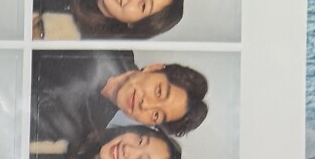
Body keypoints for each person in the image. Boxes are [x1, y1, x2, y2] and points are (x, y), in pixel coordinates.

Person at [31, 52, 209, 142]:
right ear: (154, 68)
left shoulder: (89, 132)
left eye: (156, 115)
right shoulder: (107, 39)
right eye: (159, 92)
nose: (145, 105)